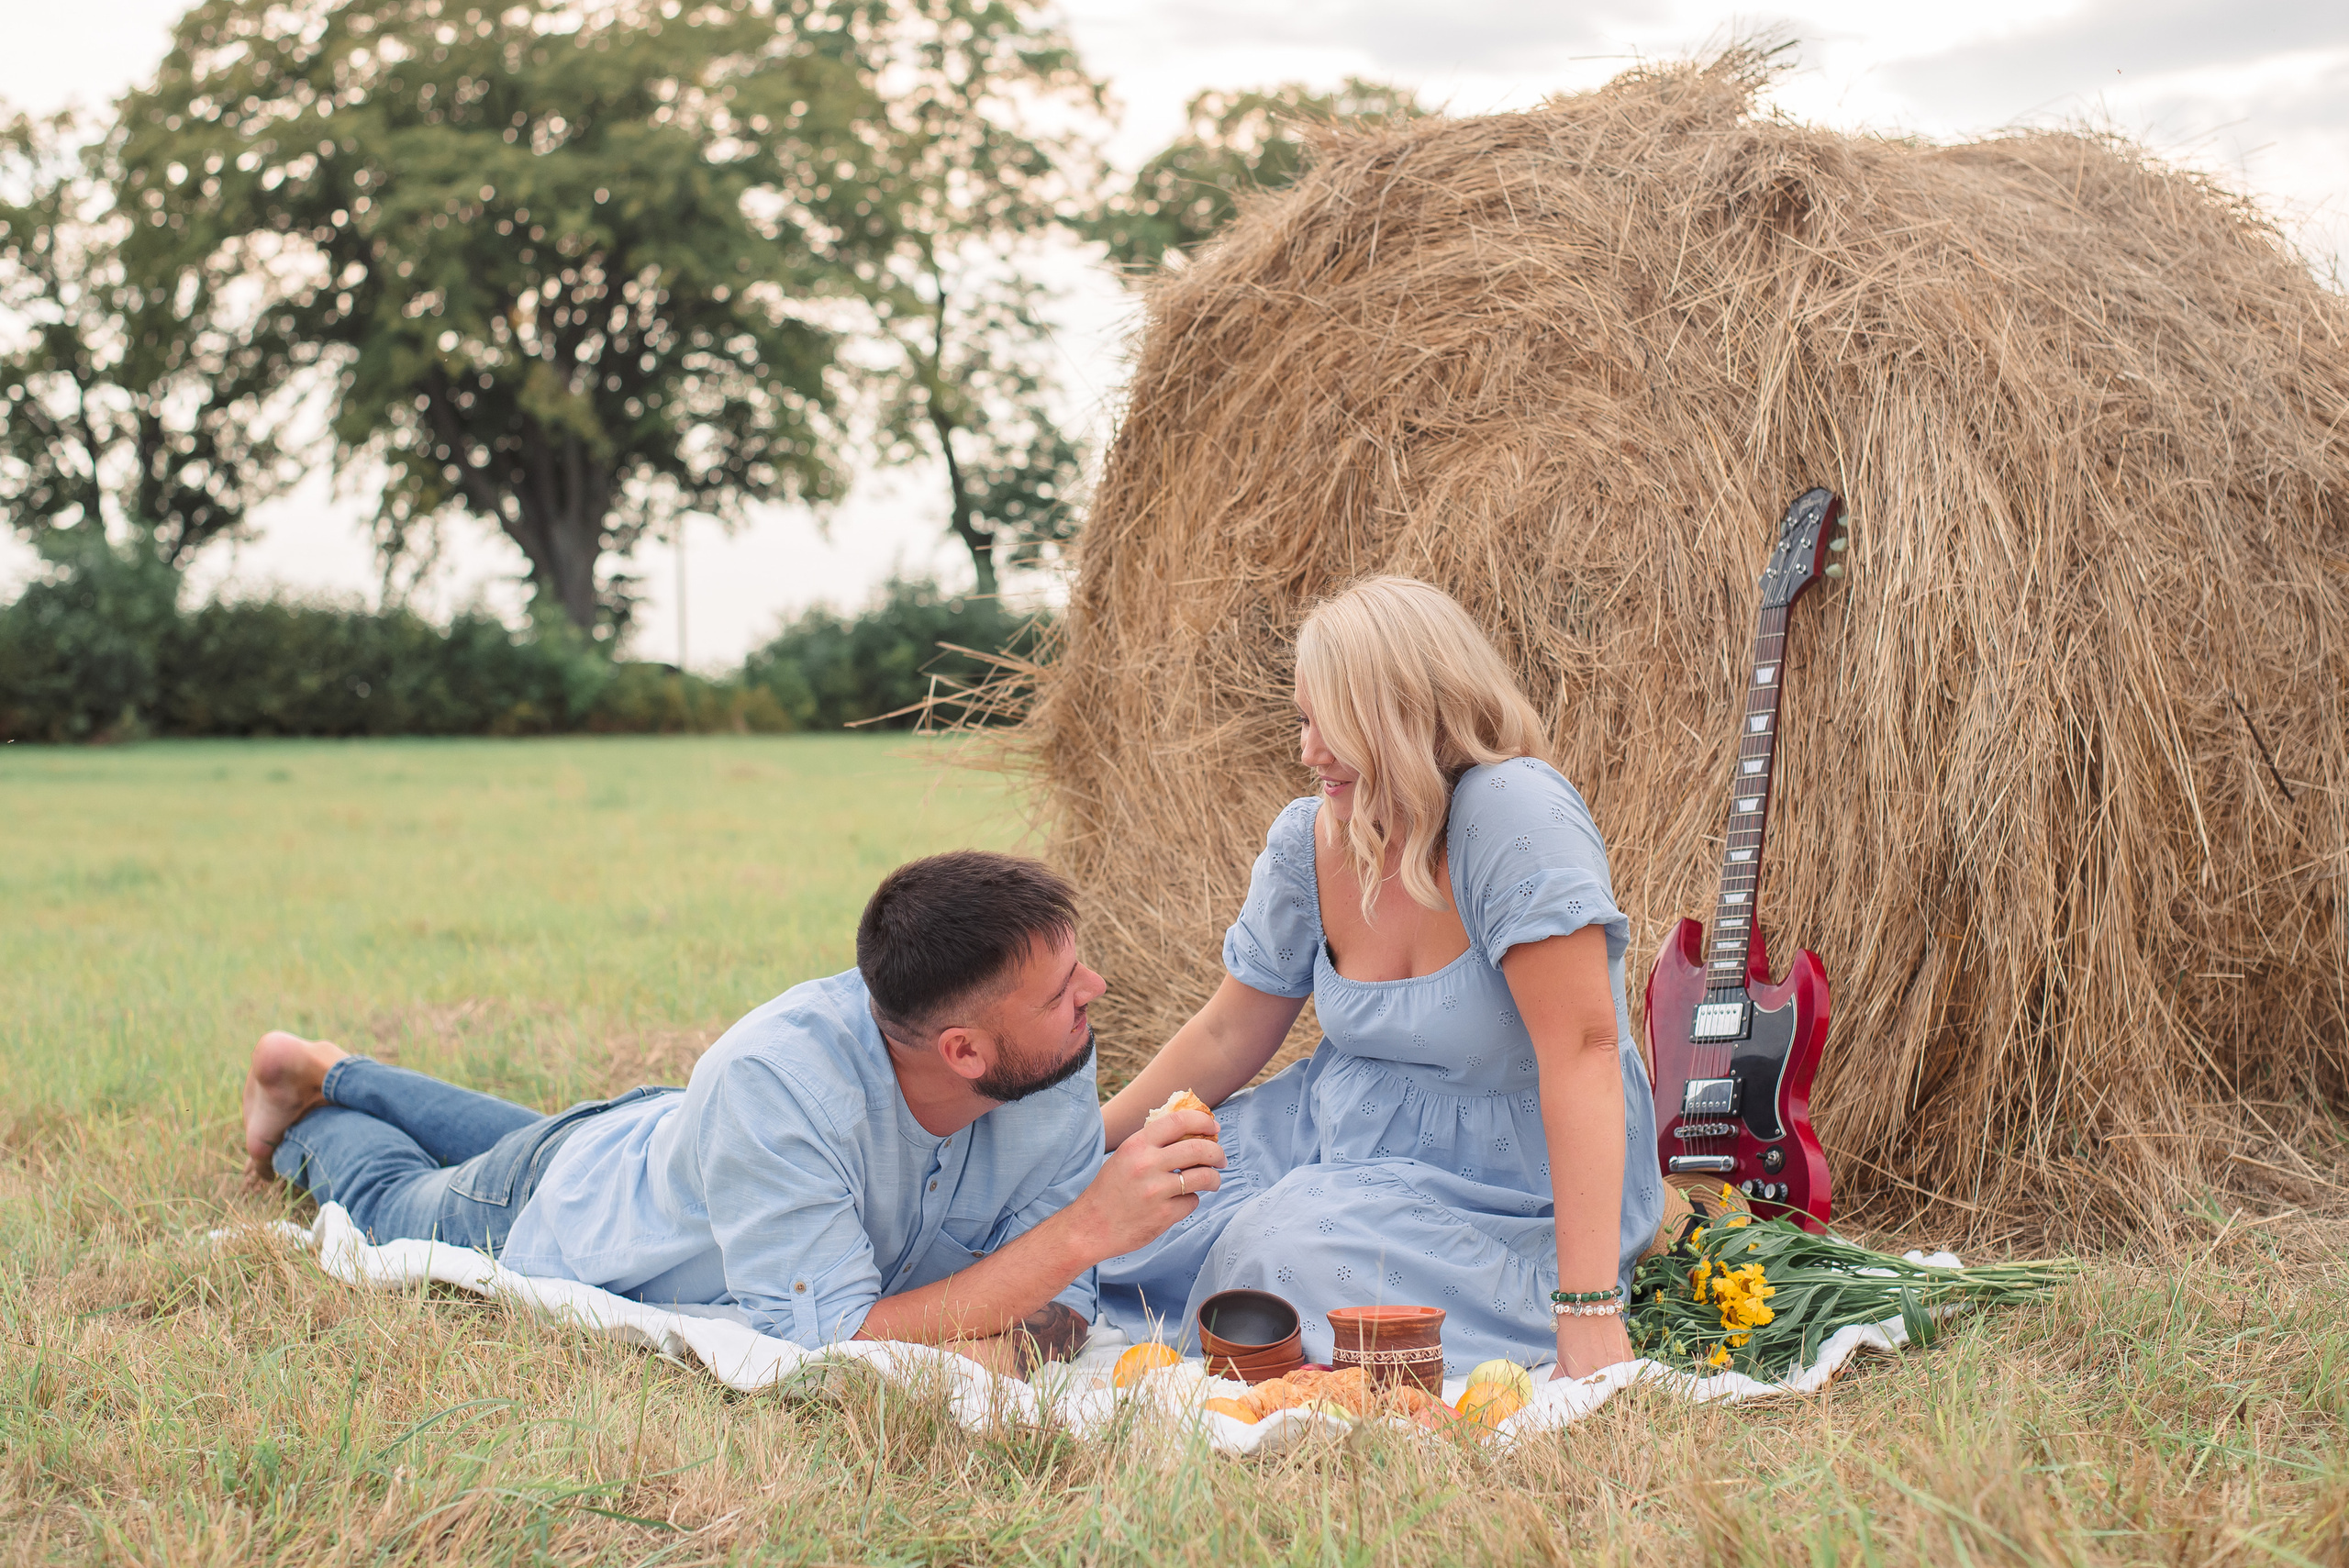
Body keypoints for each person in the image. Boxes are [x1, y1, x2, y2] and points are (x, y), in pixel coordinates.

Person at [240, 851, 1227, 1376]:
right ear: (961, 1050)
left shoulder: (1042, 1060)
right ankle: (309, 1110)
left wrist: (1026, 1316)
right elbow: (832, 1338)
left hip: (653, 1140)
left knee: (523, 1137)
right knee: (397, 1194)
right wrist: (1087, 1226)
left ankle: (336, 1063)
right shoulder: (777, 1084)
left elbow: (1061, 1304)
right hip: (564, 1212)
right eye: (1062, 987)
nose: (1094, 989)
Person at [1096, 577, 1664, 1382]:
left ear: (1410, 712)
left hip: (1506, 1187)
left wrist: (1589, 1311)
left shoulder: (1512, 814)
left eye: (1334, 721)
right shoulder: (1314, 836)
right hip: (1333, 1132)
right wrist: (1086, 1145)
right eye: (1303, 718)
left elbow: (1583, 1050)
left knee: (1275, 1251)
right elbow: (1227, 1032)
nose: (1308, 750)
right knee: (1121, 1207)